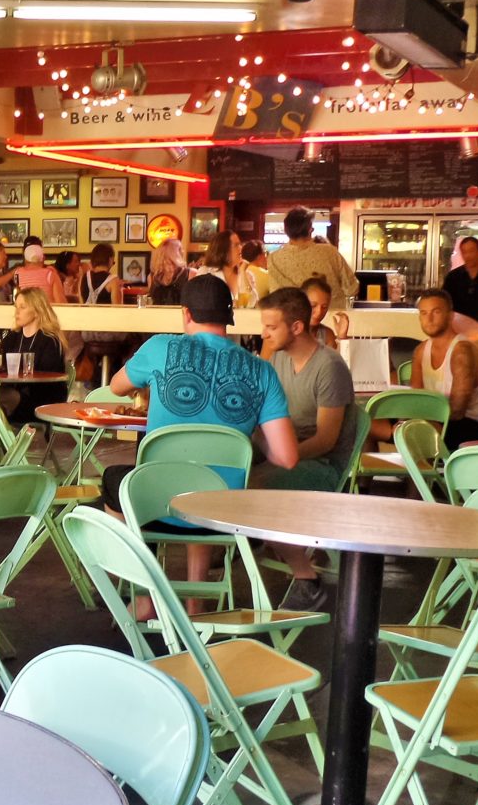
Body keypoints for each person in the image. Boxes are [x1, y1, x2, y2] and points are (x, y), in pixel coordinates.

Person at [109, 275, 298, 608]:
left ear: (186, 313)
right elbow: (286, 457)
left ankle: (144, 594)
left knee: (119, 482)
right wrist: (246, 433)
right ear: (229, 316)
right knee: (207, 482)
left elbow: (116, 387)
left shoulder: (159, 348)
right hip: (222, 515)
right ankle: (195, 602)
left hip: (158, 504)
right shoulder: (261, 371)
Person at [255, 283, 356, 611]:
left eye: (271, 327)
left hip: (324, 465)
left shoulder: (329, 367)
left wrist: (280, 456)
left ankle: (306, 580)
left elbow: (326, 440)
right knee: (227, 471)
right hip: (288, 454)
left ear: (296, 327)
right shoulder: (277, 361)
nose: (265, 334)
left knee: (253, 487)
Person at [410, 287, 478, 449]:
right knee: (368, 423)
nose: (429, 319)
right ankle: (367, 472)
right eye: (423, 313)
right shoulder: (421, 351)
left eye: (436, 312)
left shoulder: (461, 351)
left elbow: (457, 410)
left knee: (411, 429)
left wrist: (416, 420)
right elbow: (416, 398)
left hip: (472, 426)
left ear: (450, 316)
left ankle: (418, 471)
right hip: (438, 420)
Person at [0, 288, 70, 425]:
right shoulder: (13, 336)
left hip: (43, 401)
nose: (17, 312)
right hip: (17, 395)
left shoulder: (49, 340)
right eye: (16, 307)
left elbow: (46, 377)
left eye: (22, 307)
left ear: (36, 310)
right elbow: (0, 362)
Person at [267, 207, 358, 310]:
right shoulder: (330, 252)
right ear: (310, 229)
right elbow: (352, 288)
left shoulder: (273, 258)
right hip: (331, 317)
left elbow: (275, 294)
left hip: (294, 319)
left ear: (286, 230)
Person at [144, 238, 191, 305]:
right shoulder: (152, 277)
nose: (183, 251)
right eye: (180, 249)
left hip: (181, 315)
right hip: (158, 314)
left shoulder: (190, 273)